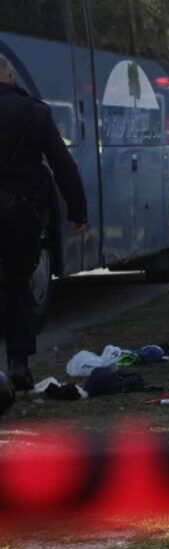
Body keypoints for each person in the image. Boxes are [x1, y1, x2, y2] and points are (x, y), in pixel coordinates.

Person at [0, 55, 86, 392]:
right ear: (9, 76)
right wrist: (77, 211)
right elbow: (63, 164)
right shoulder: (35, 112)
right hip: (21, 214)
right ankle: (18, 366)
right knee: (18, 286)